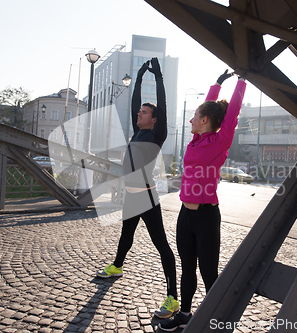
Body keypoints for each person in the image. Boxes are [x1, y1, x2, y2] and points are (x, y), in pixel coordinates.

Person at [159, 70, 246, 331]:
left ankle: (215, 319)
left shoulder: (220, 141)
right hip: (185, 216)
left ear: (205, 120)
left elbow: (231, 115)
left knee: (208, 271)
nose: (190, 120)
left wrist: (241, 81)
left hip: (206, 217)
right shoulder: (197, 140)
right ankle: (185, 315)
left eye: (194, 117)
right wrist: (217, 84)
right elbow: (210, 106)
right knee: (187, 269)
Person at [97, 57, 180, 319]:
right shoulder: (137, 132)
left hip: (147, 197)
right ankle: (117, 266)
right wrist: (140, 75)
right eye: (140, 112)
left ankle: (173, 298)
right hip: (132, 198)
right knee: (126, 236)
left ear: (154, 119)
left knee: (161, 246)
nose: (139, 114)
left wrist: (158, 78)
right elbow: (134, 103)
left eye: (144, 113)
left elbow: (162, 106)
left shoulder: (157, 133)